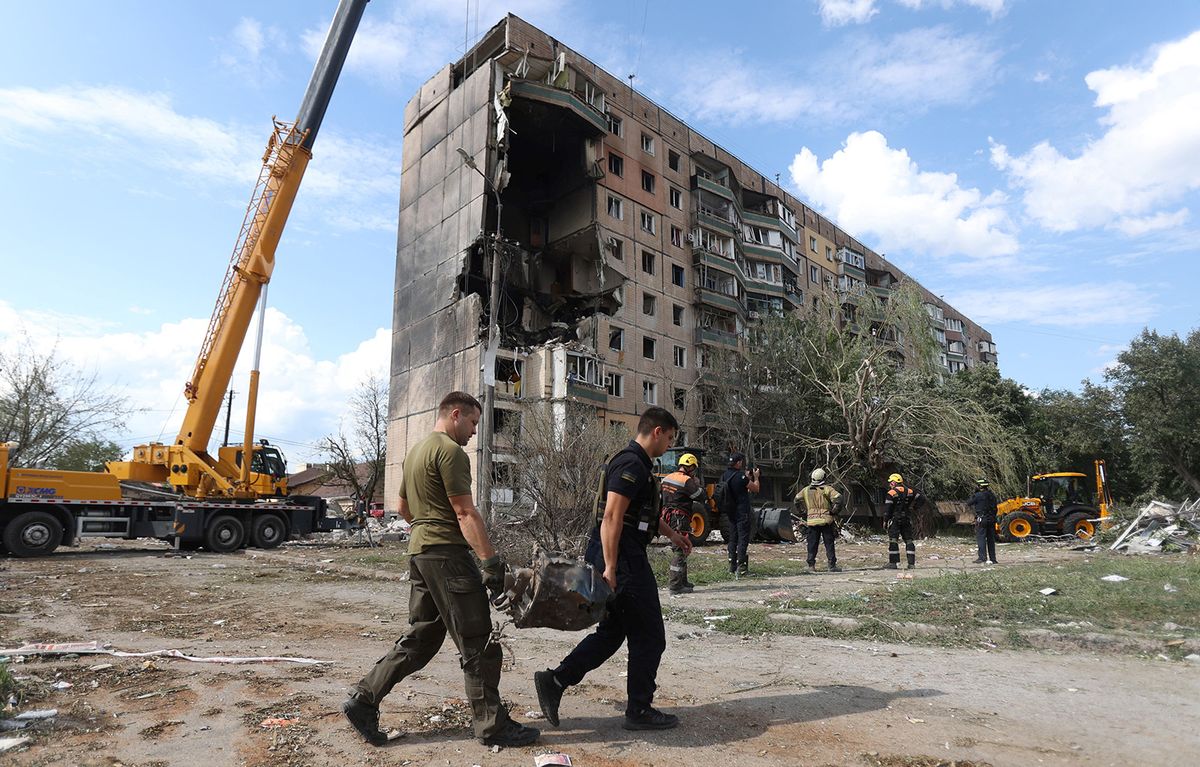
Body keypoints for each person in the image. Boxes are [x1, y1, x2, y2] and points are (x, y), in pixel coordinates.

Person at [342, 391, 539, 748]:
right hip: (448, 556)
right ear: (456, 414)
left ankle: (363, 699)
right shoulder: (450, 452)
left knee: (422, 638)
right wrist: (491, 563)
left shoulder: (415, 452)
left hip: (421, 554)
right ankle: (493, 725)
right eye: (474, 423)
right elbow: (465, 513)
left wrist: (426, 530)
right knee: (478, 642)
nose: (475, 432)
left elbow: (402, 506)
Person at [533, 407, 693, 731]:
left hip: (623, 552)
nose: (670, 446)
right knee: (650, 636)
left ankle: (555, 680)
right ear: (657, 431)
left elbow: (640, 514)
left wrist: (674, 535)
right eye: (671, 438)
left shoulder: (641, 466)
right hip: (622, 557)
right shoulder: (630, 464)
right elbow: (611, 517)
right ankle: (639, 710)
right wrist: (610, 567)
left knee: (612, 634)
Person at [660, 452, 706, 594]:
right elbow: (701, 496)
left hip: (668, 516)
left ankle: (682, 581)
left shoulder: (666, 478)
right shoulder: (686, 480)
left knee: (683, 547)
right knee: (680, 550)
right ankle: (675, 585)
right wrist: (698, 484)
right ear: (690, 467)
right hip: (680, 517)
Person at [720, 452, 760, 576]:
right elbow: (755, 488)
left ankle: (732, 566)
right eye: (741, 462)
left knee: (733, 538)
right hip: (742, 512)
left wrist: (746, 477)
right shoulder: (740, 477)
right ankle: (742, 568)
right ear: (738, 463)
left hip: (730, 512)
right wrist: (756, 477)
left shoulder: (724, 475)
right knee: (743, 539)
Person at [795, 468, 842, 573]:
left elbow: (796, 500)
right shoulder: (827, 489)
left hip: (812, 521)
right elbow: (839, 498)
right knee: (829, 543)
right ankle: (831, 565)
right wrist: (834, 512)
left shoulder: (806, 490)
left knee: (812, 544)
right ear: (824, 477)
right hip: (826, 520)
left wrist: (803, 512)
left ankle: (811, 566)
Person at [883, 472, 923, 570]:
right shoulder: (910, 491)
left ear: (894, 482)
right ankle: (911, 564)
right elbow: (921, 498)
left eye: (890, 482)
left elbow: (888, 510)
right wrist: (914, 507)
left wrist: (885, 521)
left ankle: (893, 563)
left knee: (893, 540)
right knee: (909, 540)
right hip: (906, 519)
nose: (889, 484)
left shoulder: (891, 493)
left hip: (895, 520)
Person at [967, 478, 999, 564]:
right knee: (991, 539)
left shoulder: (978, 495)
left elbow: (969, 503)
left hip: (982, 519)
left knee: (981, 538)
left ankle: (982, 558)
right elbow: (996, 508)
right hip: (992, 519)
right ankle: (993, 558)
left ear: (979, 486)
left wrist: (975, 493)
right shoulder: (992, 495)